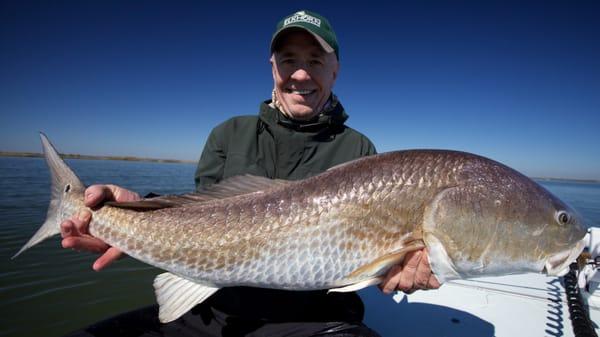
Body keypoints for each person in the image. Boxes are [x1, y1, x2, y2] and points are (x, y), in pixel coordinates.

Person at [61, 10, 440, 337]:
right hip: (212, 311)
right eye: (289, 59)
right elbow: (200, 219)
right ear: (273, 67)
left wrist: (402, 268)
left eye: (316, 60)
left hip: (315, 321)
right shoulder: (229, 134)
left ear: (336, 70)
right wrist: (136, 211)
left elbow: (372, 261)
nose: (302, 74)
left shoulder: (360, 152)